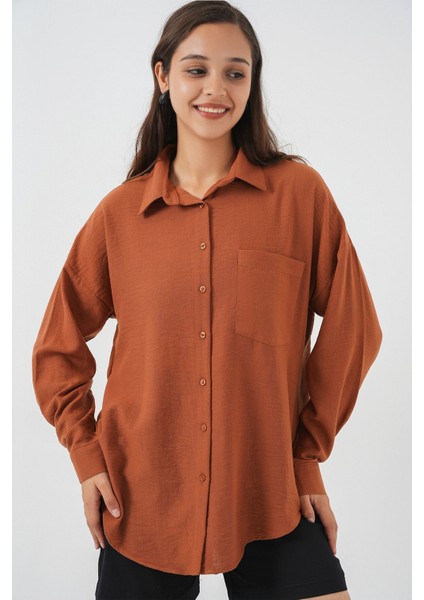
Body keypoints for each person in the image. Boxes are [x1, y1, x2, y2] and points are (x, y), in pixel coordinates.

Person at [31, 1, 383, 599]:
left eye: (235, 72)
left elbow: (356, 327)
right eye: (196, 69)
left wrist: (307, 454)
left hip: (269, 489)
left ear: (252, 82)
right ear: (163, 76)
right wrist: (87, 457)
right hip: (142, 500)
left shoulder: (299, 196)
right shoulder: (120, 215)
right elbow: (56, 348)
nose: (215, 89)